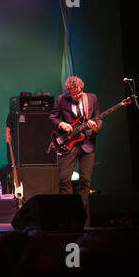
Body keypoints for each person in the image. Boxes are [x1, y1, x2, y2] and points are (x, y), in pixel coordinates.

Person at [49, 76, 102, 208]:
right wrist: (62, 124)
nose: (78, 95)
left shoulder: (92, 98)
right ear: (69, 93)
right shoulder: (62, 99)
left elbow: (98, 117)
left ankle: (82, 212)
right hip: (69, 144)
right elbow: (52, 117)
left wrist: (96, 127)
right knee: (64, 178)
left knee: (85, 181)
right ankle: (68, 209)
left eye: (80, 92)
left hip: (88, 143)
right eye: (75, 94)